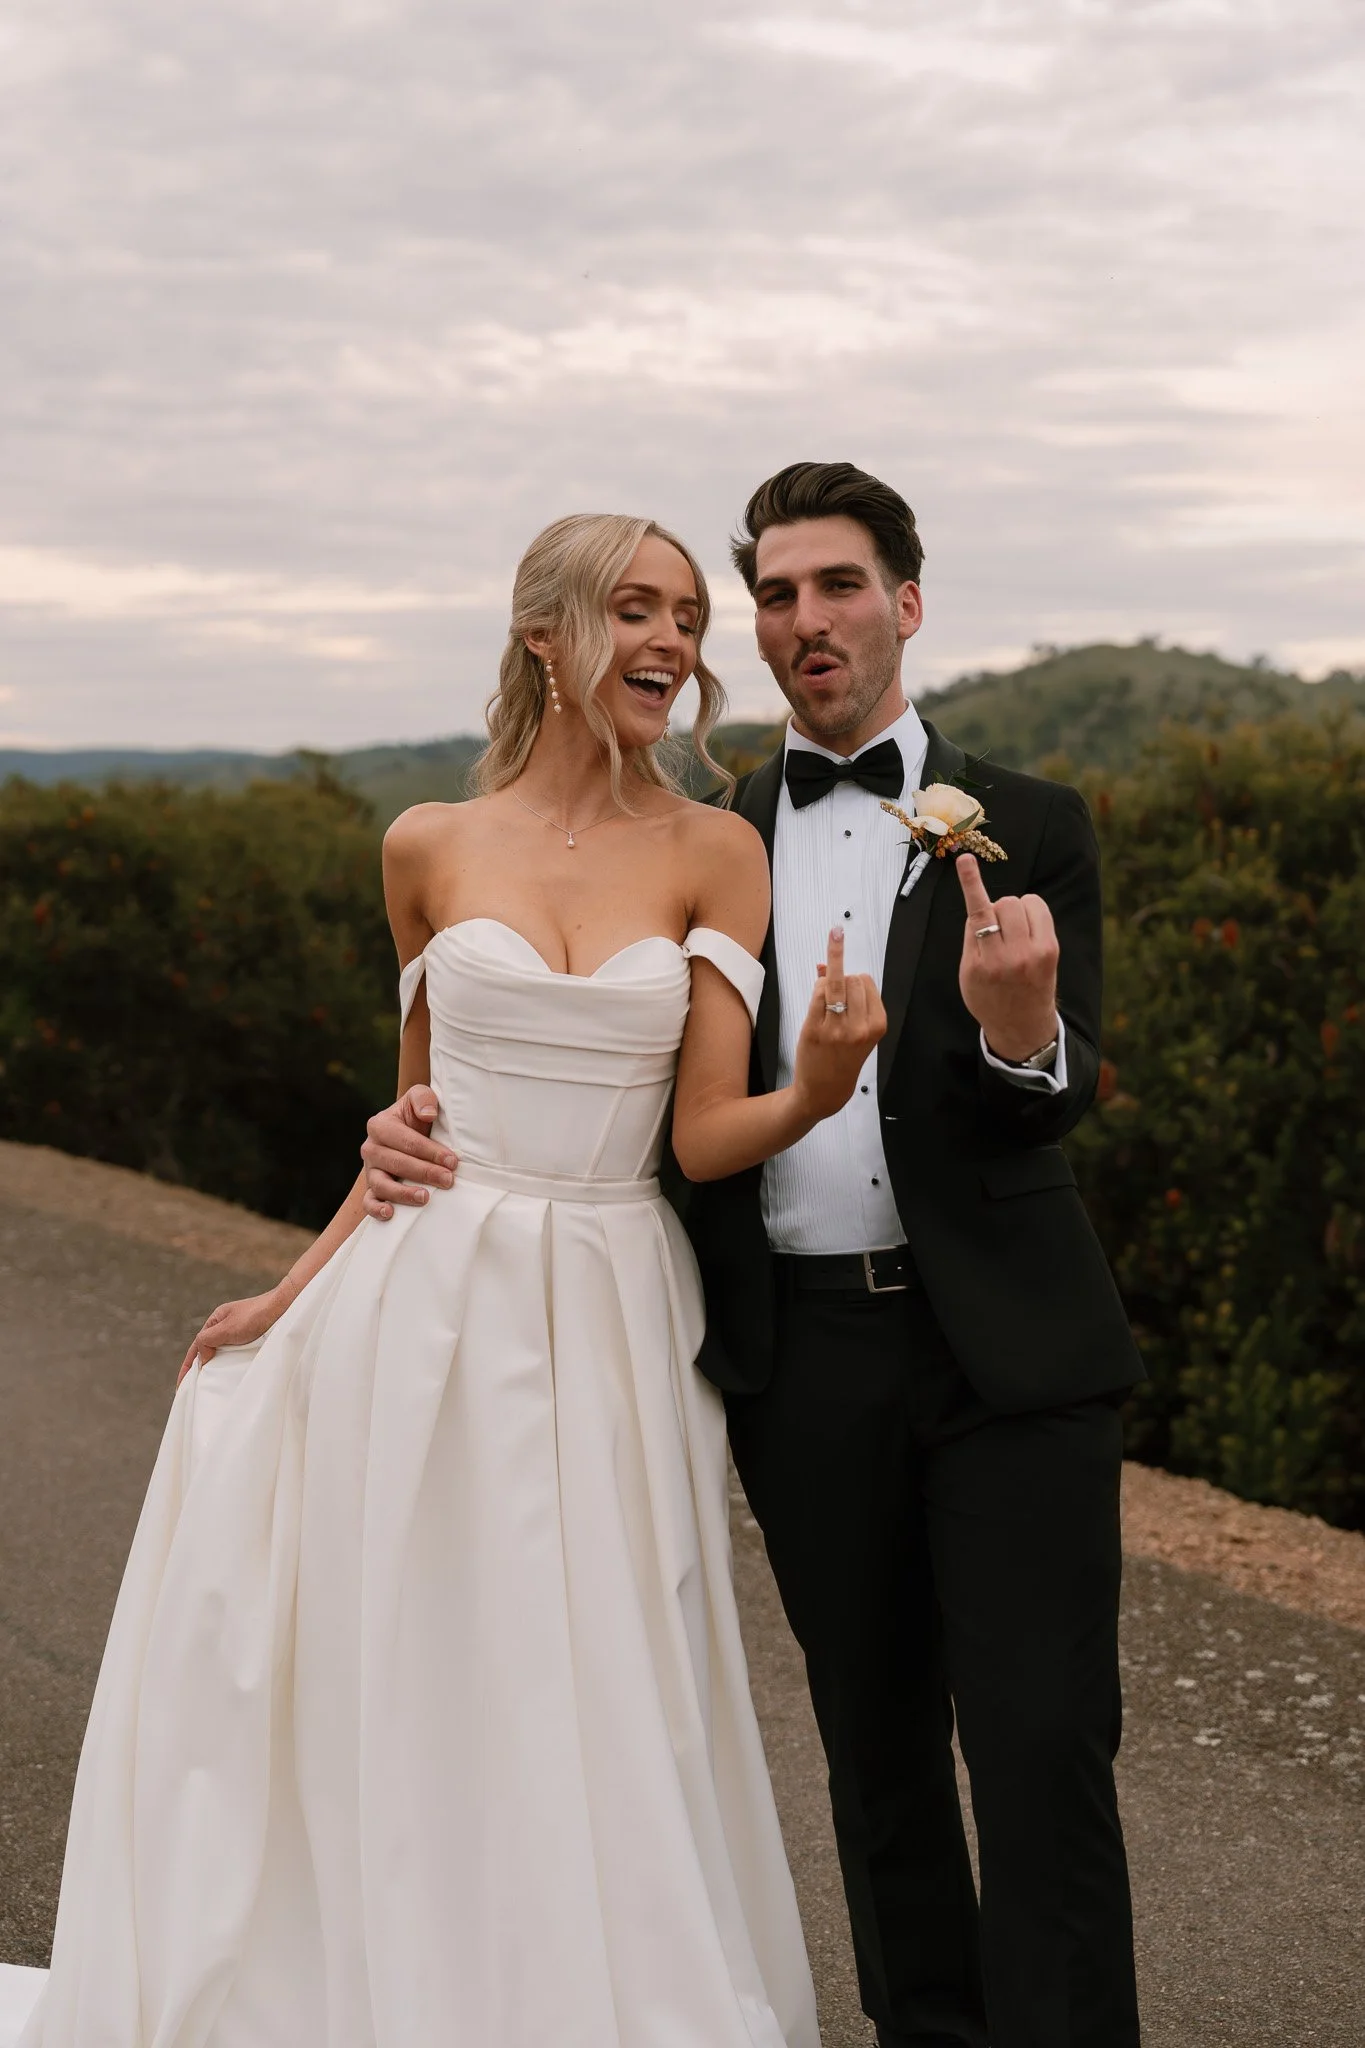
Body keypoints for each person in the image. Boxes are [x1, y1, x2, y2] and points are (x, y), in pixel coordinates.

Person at [15, 512, 893, 2048]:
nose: (678, 643)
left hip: (612, 1305)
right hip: (418, 1303)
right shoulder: (423, 843)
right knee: (409, 1664)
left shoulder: (718, 848)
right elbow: (408, 1130)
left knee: (597, 1682)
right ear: (546, 634)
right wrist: (287, 1298)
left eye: (689, 615)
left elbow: (699, 1141)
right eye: (638, 609)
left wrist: (816, 1089)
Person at [365, 465, 1146, 2048]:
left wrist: (1020, 1034)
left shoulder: (1037, 825)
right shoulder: (700, 838)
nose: (807, 621)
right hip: (801, 1353)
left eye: (838, 585)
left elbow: (1061, 1095)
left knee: (1042, 1741)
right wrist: (400, 1139)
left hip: (1012, 1350)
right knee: (871, 1753)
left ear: (905, 605)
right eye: (776, 596)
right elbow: (597, 1082)